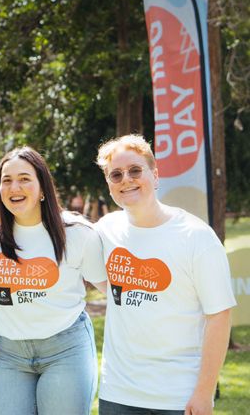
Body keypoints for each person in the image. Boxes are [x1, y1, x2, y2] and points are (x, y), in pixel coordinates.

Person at [95, 134, 236, 415]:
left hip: (178, 397)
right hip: (118, 393)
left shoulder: (196, 237)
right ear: (109, 185)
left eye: (135, 170)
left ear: (155, 176)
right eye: (116, 174)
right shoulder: (104, 230)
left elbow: (219, 315)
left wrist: (204, 393)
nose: (126, 179)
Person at [0, 146, 106, 415]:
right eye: (7, 180)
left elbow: (112, 290)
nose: (15, 187)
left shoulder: (76, 234)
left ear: (42, 188)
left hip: (66, 350)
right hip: (11, 354)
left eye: (25, 178)